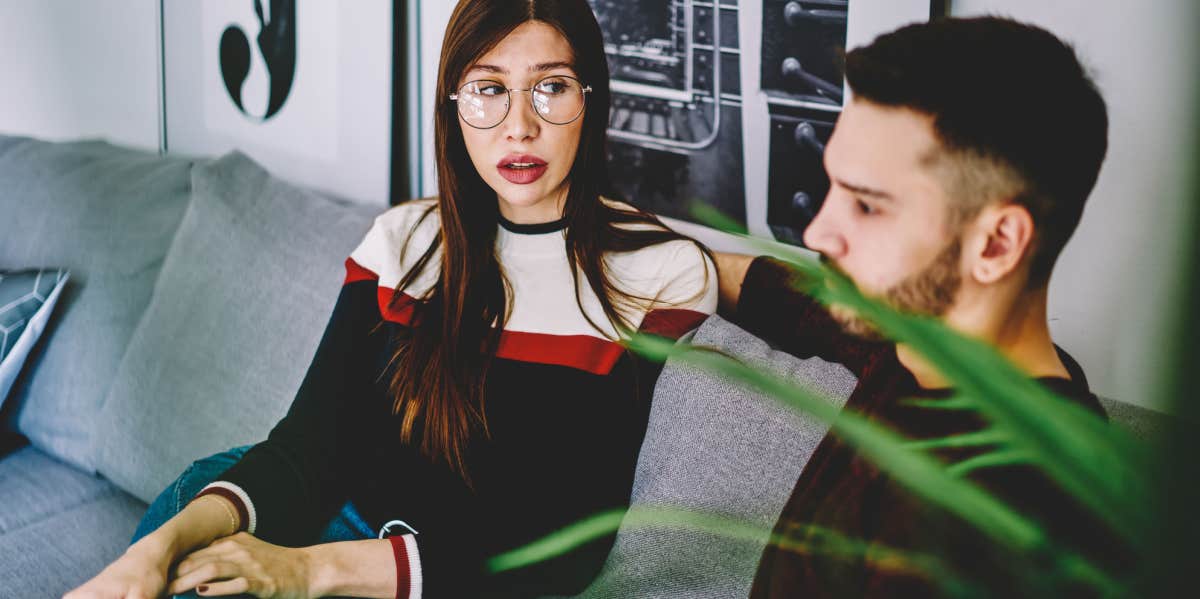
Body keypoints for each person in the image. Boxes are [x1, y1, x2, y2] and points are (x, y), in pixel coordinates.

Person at [66, 1, 716, 598]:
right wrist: (156, 547)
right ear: (453, 106)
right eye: (489, 89)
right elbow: (305, 450)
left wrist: (310, 570)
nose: (520, 126)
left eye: (552, 87)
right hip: (301, 514)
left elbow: (564, 543)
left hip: (406, 577)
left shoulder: (659, 274)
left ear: (590, 98)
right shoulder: (403, 240)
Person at [714, 17, 1118, 597]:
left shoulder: (999, 530)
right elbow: (788, 301)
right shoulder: (918, 343)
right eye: (833, 188)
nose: (819, 233)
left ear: (996, 244)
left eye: (869, 207)